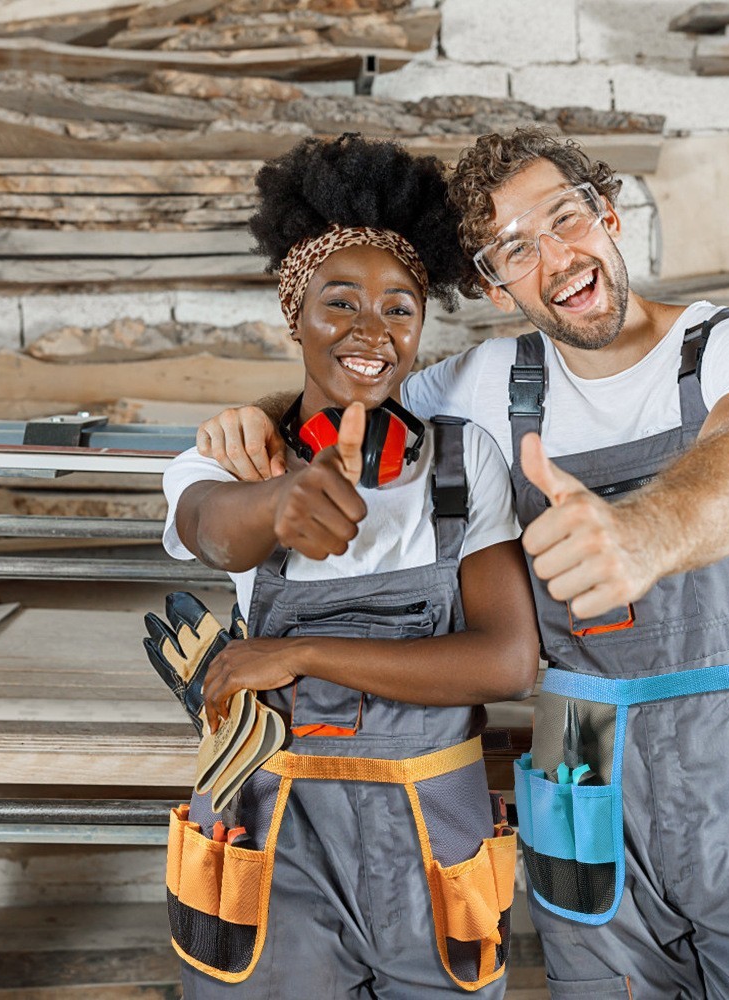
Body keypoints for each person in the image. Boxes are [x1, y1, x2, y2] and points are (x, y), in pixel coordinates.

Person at [196, 127, 729, 1000]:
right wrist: (251, 416)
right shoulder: (488, 382)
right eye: (515, 247)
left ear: (611, 218)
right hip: (587, 761)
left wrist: (646, 534)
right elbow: (359, 376)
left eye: (566, 219)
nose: (554, 257)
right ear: (493, 282)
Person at [160, 134, 539, 999]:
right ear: (294, 316)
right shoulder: (230, 461)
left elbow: (507, 660)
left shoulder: (462, 462)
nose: (373, 331)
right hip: (271, 833)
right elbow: (216, 532)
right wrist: (280, 504)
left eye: (400, 308)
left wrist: (301, 654)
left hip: (433, 841)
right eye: (341, 303)